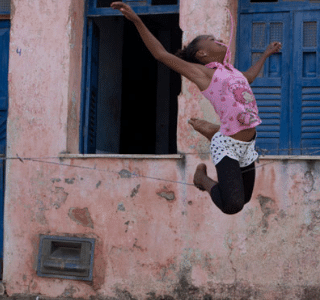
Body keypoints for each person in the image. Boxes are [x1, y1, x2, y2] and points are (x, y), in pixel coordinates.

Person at [110, 2, 282, 214]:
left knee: (244, 199)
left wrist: (265, 54)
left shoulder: (233, 72)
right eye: (211, 40)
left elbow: (250, 77)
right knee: (232, 205)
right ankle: (202, 177)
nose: (218, 40)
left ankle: (213, 130)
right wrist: (137, 21)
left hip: (247, 144)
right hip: (227, 145)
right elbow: (161, 55)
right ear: (202, 54)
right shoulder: (204, 74)